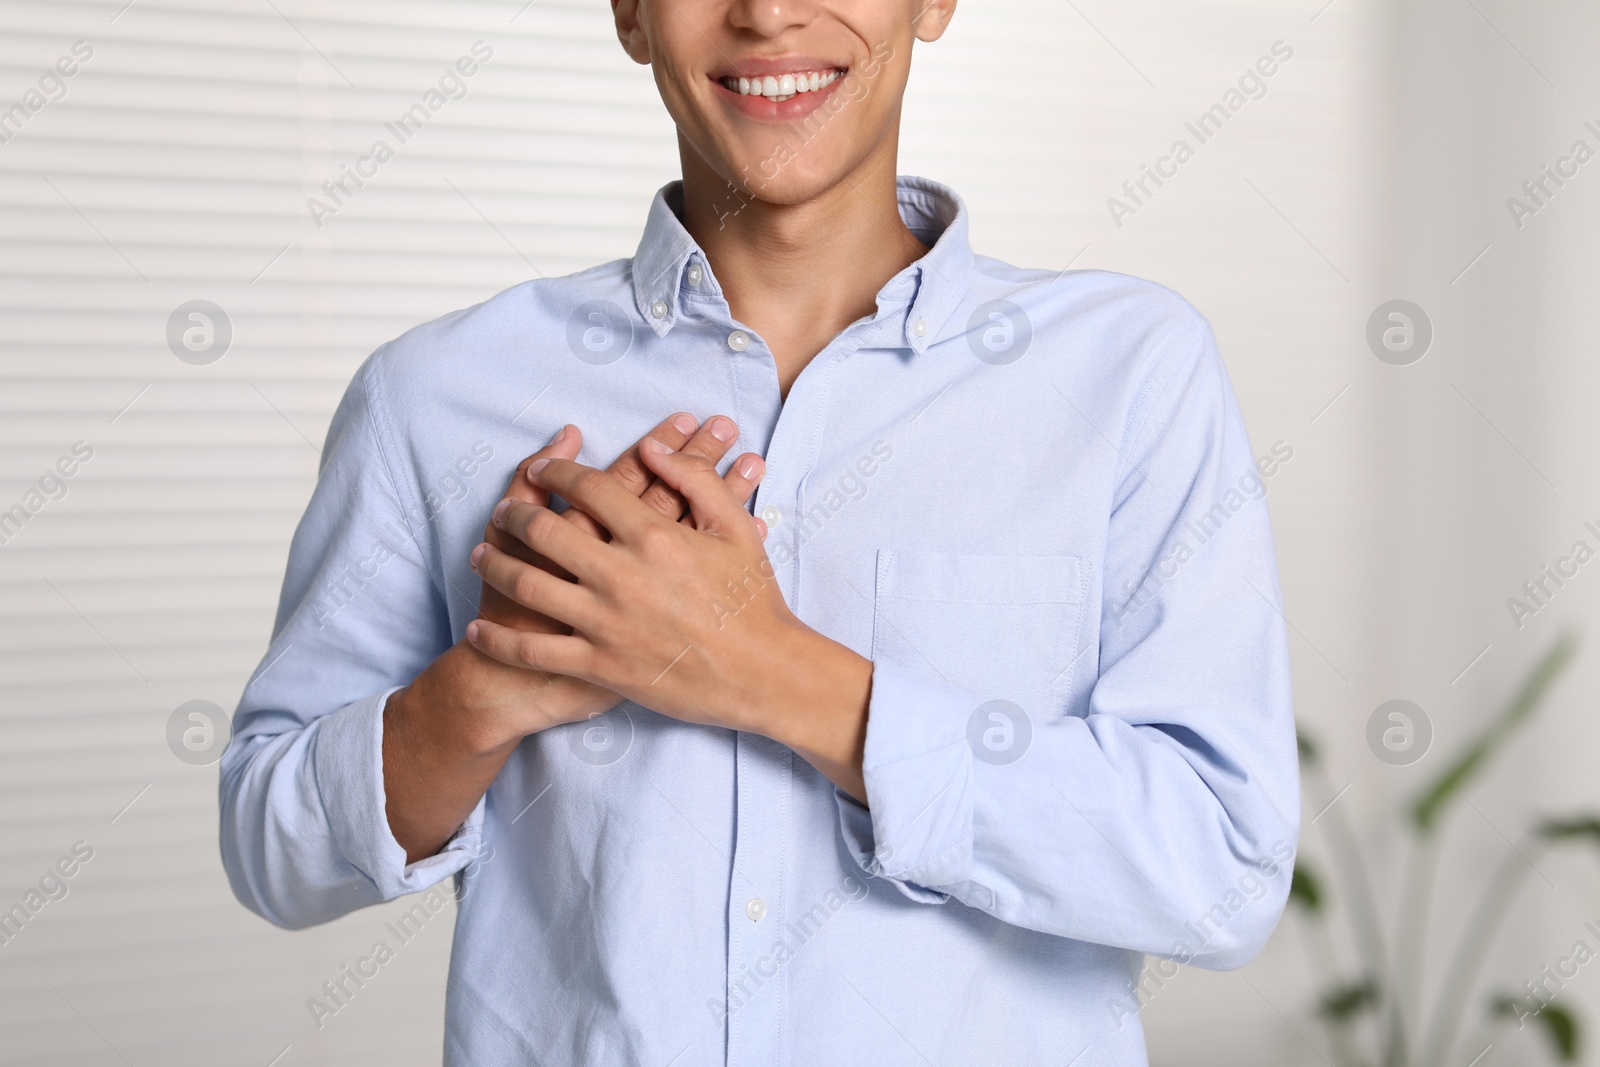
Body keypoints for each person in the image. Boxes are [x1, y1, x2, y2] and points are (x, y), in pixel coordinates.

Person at [219, 1, 1301, 1063]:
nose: (769, 13)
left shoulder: (1126, 374)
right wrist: (493, 678)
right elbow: (275, 849)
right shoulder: (436, 393)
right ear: (630, 13)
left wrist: (763, 667)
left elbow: (1223, 869)